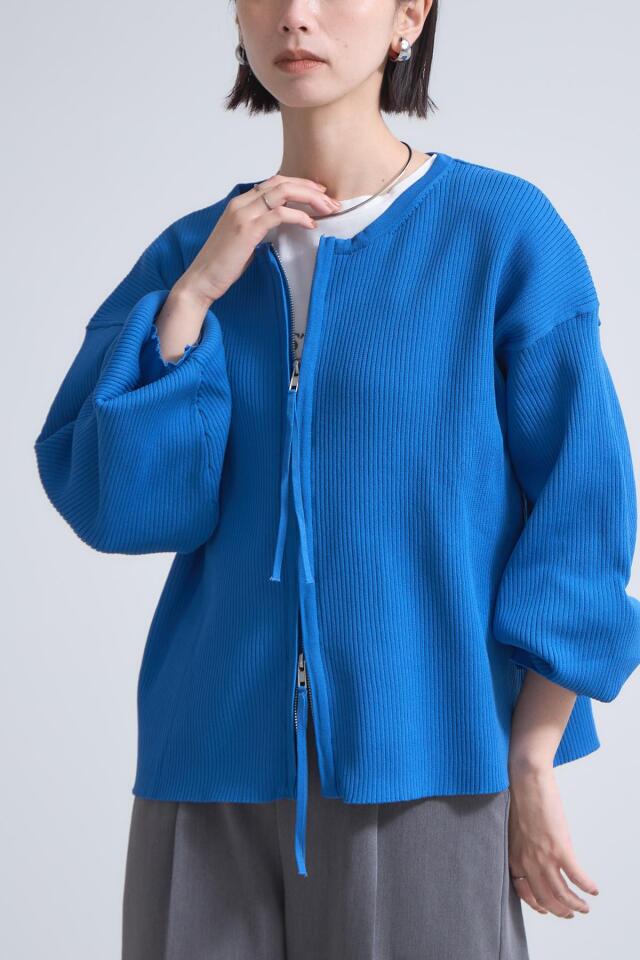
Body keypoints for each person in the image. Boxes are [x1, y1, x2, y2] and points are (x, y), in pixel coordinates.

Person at [33, 2, 640, 958]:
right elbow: (122, 507)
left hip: (429, 768)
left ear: (409, 14)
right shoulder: (191, 254)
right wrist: (193, 298)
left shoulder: (498, 234)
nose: (297, 15)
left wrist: (531, 756)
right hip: (208, 768)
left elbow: (583, 506)